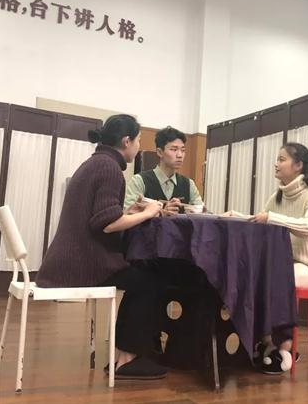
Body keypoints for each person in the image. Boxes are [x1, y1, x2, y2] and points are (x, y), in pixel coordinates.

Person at [36, 114, 167, 381]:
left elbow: (100, 217)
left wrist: (128, 212)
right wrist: (148, 212)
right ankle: (127, 358)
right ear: (126, 141)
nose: (139, 147)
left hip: (70, 260)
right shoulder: (109, 169)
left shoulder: (96, 163)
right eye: (138, 141)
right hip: (84, 263)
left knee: (143, 277)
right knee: (149, 280)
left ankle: (123, 355)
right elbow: (106, 224)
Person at [224, 142, 308, 374]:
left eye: (282, 159)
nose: (276, 164)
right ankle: (264, 341)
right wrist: (235, 217)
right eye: (277, 159)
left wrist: (271, 217)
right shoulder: (277, 196)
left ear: (298, 165)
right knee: (256, 276)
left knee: (277, 279)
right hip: (290, 266)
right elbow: (260, 222)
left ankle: (285, 349)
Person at [124, 126, 203, 215]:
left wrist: (202, 211)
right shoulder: (139, 180)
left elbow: (200, 210)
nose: (180, 155)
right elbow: (128, 213)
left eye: (183, 150)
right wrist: (161, 212)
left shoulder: (189, 184)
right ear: (160, 152)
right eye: (174, 149)